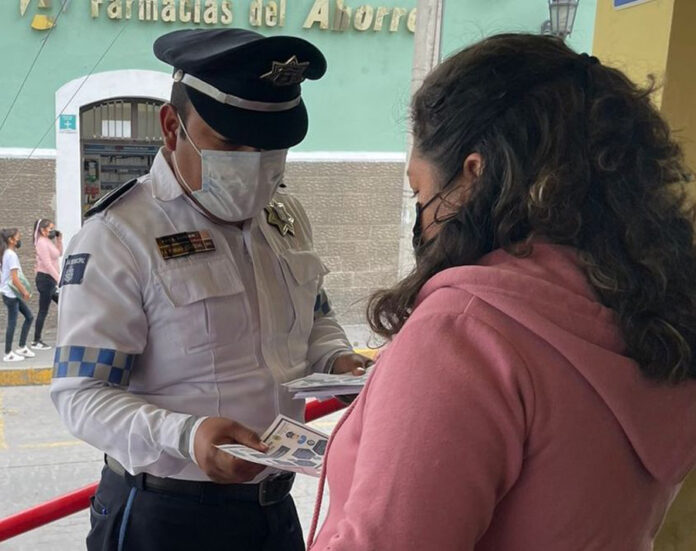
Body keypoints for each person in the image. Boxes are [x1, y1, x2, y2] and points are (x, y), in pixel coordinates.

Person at [308, 34, 696, 551]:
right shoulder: (652, 307)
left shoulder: (466, 330)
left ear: (472, 176)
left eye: (419, 192)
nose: (421, 215)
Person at [50, 29, 368, 551]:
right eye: (232, 145)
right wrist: (186, 435)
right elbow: (80, 396)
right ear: (172, 127)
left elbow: (315, 322)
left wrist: (338, 362)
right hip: (167, 515)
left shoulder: (283, 217)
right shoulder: (117, 237)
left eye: (272, 147)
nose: (257, 164)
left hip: (273, 508)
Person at [1, 228, 35, 362]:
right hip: (11, 294)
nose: (19, 239)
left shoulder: (4, 253)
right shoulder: (11, 255)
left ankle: (21, 346)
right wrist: (24, 292)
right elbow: (15, 278)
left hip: (8, 293)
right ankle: (8, 353)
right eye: (18, 237)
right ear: (11, 240)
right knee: (12, 323)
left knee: (29, 316)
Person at [32, 218, 62, 350]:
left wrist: (59, 240)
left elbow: (59, 253)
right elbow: (47, 264)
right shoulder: (41, 243)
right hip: (45, 279)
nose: (52, 231)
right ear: (42, 230)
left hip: (51, 280)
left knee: (64, 303)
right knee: (43, 310)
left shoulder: (48, 241)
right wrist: (59, 279)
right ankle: (36, 340)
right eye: (50, 228)